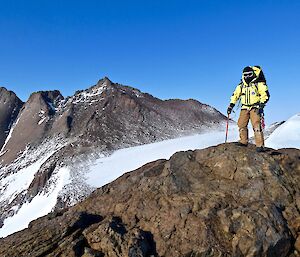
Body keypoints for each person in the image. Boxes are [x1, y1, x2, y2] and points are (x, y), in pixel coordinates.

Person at [227, 66, 270, 152]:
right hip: (244, 107)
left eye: (249, 74)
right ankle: (243, 141)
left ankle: (260, 145)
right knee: (241, 124)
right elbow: (235, 95)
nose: (247, 77)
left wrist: (261, 106)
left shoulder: (259, 84)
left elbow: (265, 95)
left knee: (257, 125)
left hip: (255, 107)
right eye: (245, 75)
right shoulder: (241, 86)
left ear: (253, 74)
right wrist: (231, 105)